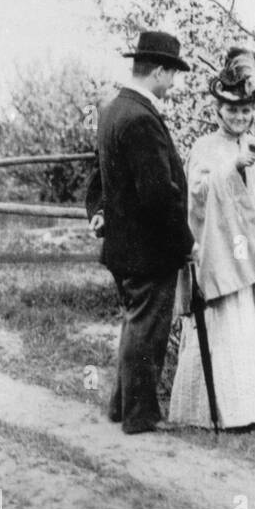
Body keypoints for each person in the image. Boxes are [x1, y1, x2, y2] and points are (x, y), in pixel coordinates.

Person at [168, 48, 255, 429]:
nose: (239, 117)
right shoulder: (205, 147)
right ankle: (235, 413)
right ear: (218, 110)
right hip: (227, 254)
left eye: (246, 111)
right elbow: (197, 194)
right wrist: (231, 168)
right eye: (232, 110)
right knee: (234, 331)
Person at [85, 30, 195, 435]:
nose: (173, 84)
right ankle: (140, 416)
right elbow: (157, 193)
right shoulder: (140, 117)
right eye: (173, 75)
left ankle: (122, 407)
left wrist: (97, 210)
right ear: (161, 71)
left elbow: (101, 174)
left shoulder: (114, 110)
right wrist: (186, 242)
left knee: (135, 324)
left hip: (124, 246)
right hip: (148, 248)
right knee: (147, 330)